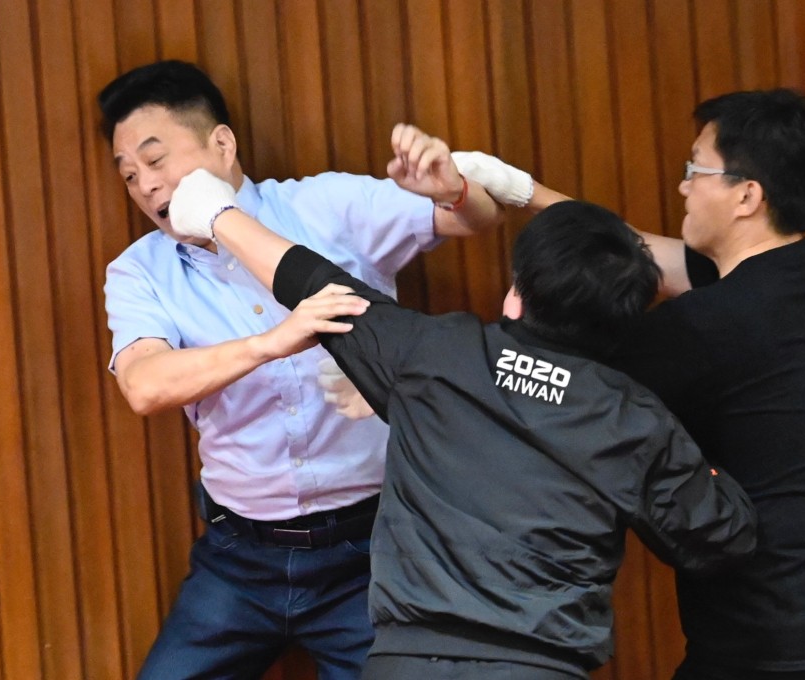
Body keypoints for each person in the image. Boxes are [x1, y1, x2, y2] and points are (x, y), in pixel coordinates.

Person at [166, 168, 758, 680]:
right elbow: (724, 536)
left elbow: (319, 286)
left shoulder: (434, 355)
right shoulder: (634, 420)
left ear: (516, 295)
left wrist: (220, 215)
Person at [451, 89, 805, 679]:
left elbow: (562, 380)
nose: (683, 186)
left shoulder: (704, 328)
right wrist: (519, 189)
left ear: (747, 195)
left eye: (696, 169)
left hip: (779, 640)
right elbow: (635, 252)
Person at [97, 59, 504, 679]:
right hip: (240, 557)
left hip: (370, 546)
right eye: (129, 176)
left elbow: (472, 219)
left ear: (222, 143)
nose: (147, 186)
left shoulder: (327, 206)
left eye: (156, 161)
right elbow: (144, 386)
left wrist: (452, 189)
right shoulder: (139, 270)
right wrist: (271, 342)